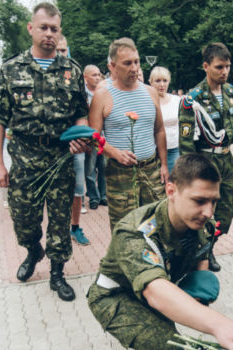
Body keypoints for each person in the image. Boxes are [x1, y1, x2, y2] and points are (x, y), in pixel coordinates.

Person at [88, 153, 233, 350]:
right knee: (169, 348)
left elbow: (202, 254)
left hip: (159, 288)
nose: (208, 212)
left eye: (214, 201)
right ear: (171, 191)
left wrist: (200, 286)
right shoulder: (135, 232)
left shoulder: (202, 223)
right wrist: (221, 325)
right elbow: (155, 291)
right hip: (116, 296)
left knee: (167, 340)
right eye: (199, 200)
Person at [0, 2, 90, 301]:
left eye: (54, 29)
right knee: (23, 220)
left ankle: (57, 273)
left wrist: (80, 137)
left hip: (60, 159)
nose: (49, 34)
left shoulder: (72, 70)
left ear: (60, 33)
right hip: (25, 161)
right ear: (31, 28)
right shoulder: (11, 69)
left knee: (60, 220)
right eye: (43, 27)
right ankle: (33, 250)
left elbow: (80, 114)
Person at [179, 42, 233, 271]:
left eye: (228, 67)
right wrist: (191, 175)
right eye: (219, 67)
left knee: (225, 213)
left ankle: (209, 247)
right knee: (202, 212)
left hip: (227, 161)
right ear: (206, 66)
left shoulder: (231, 92)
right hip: (205, 164)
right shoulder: (193, 98)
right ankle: (197, 254)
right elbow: (186, 142)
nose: (225, 72)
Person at [89, 37, 168, 230]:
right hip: (120, 174)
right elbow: (93, 137)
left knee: (156, 223)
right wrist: (115, 153)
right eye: (127, 63)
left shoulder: (150, 93)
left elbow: (159, 130)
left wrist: (164, 165)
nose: (134, 68)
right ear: (113, 66)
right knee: (124, 228)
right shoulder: (102, 96)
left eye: (136, 62)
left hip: (151, 170)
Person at [56, 35, 90, 246]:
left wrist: (80, 136)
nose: (61, 54)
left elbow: (82, 110)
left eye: (64, 50)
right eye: (58, 51)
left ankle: (75, 227)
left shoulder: (73, 73)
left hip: (72, 143)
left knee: (78, 189)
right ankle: (55, 232)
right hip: (47, 146)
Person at [82, 64, 107, 209]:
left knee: (103, 168)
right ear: (85, 77)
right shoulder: (83, 94)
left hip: (103, 137)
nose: (97, 78)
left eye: (98, 75)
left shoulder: (104, 91)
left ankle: (103, 196)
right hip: (89, 137)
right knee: (90, 170)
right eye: (94, 75)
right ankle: (94, 197)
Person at [149, 66, 180, 173]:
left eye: (165, 80)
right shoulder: (147, 103)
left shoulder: (177, 101)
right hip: (154, 152)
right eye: (157, 81)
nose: (162, 84)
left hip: (174, 149)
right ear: (151, 82)